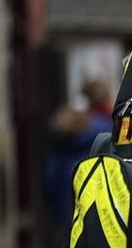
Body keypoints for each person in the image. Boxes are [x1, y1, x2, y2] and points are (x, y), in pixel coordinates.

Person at [45, 78, 114, 238]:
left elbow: (51, 179)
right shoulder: (109, 129)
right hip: (101, 209)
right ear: (105, 99)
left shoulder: (67, 130)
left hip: (66, 208)